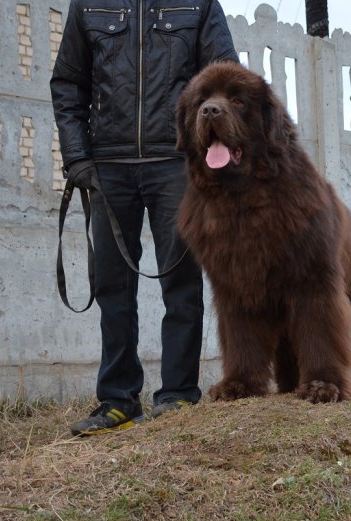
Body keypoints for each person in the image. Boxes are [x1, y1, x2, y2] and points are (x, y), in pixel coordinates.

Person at [50, 0, 238, 436]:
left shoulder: (199, 3)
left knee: (181, 284)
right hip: (108, 166)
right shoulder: (89, 5)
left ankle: (177, 396)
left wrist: (208, 151)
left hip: (175, 162)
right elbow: (68, 83)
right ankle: (117, 400)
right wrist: (77, 156)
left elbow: (224, 79)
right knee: (113, 287)